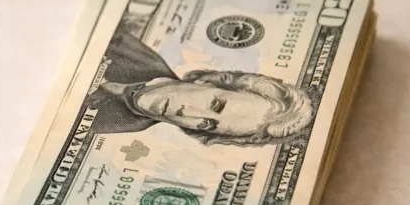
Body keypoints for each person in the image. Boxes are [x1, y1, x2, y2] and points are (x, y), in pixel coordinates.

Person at [89, 31, 314, 146]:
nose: (188, 114)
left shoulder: (113, 127)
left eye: (207, 124)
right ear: (209, 81)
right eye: (214, 104)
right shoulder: (124, 46)